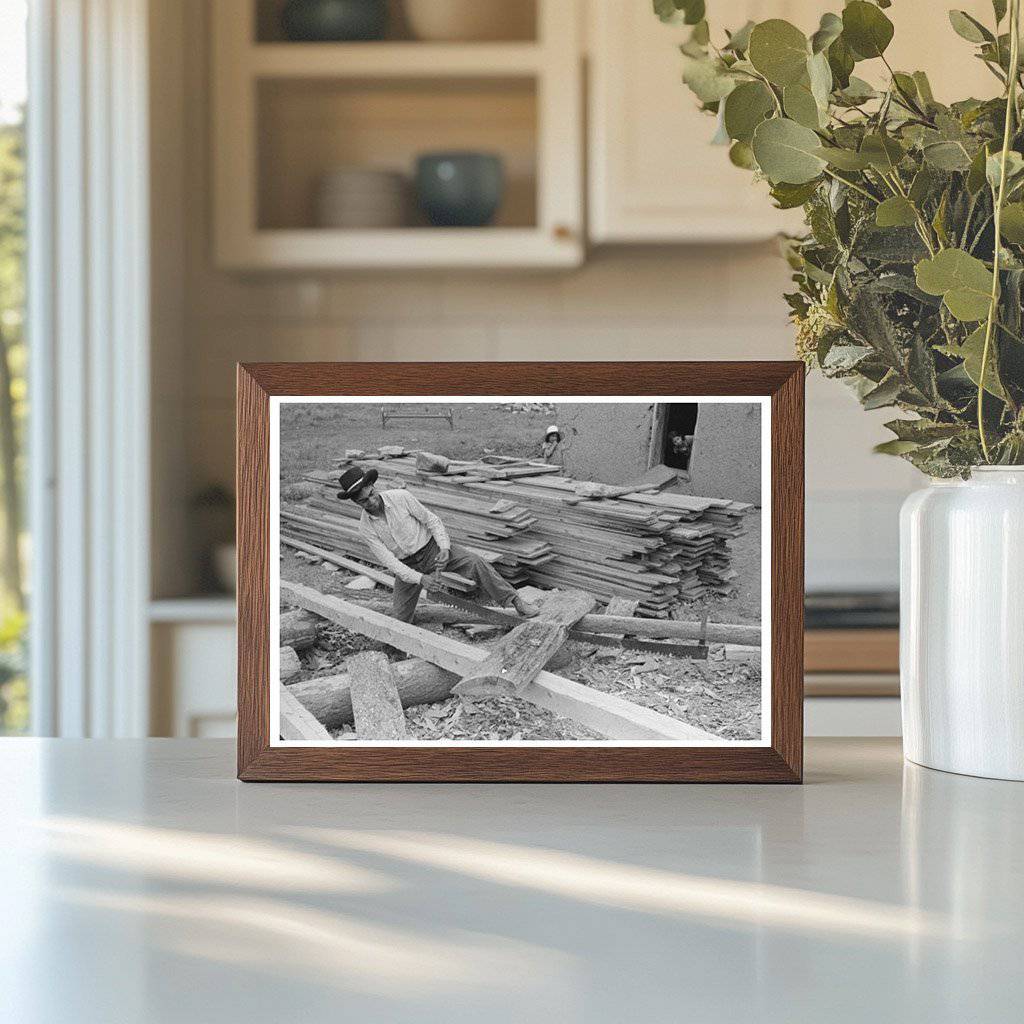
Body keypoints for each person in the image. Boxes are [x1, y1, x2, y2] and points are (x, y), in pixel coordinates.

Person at [337, 466, 539, 623]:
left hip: (431, 548)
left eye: (371, 494)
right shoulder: (365, 528)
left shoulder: (401, 497)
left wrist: (444, 548)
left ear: (374, 487)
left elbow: (432, 520)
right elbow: (391, 564)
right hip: (406, 566)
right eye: (364, 501)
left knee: (475, 562)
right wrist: (420, 579)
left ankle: (516, 601)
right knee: (399, 618)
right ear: (356, 503)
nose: (371, 502)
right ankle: (398, 651)